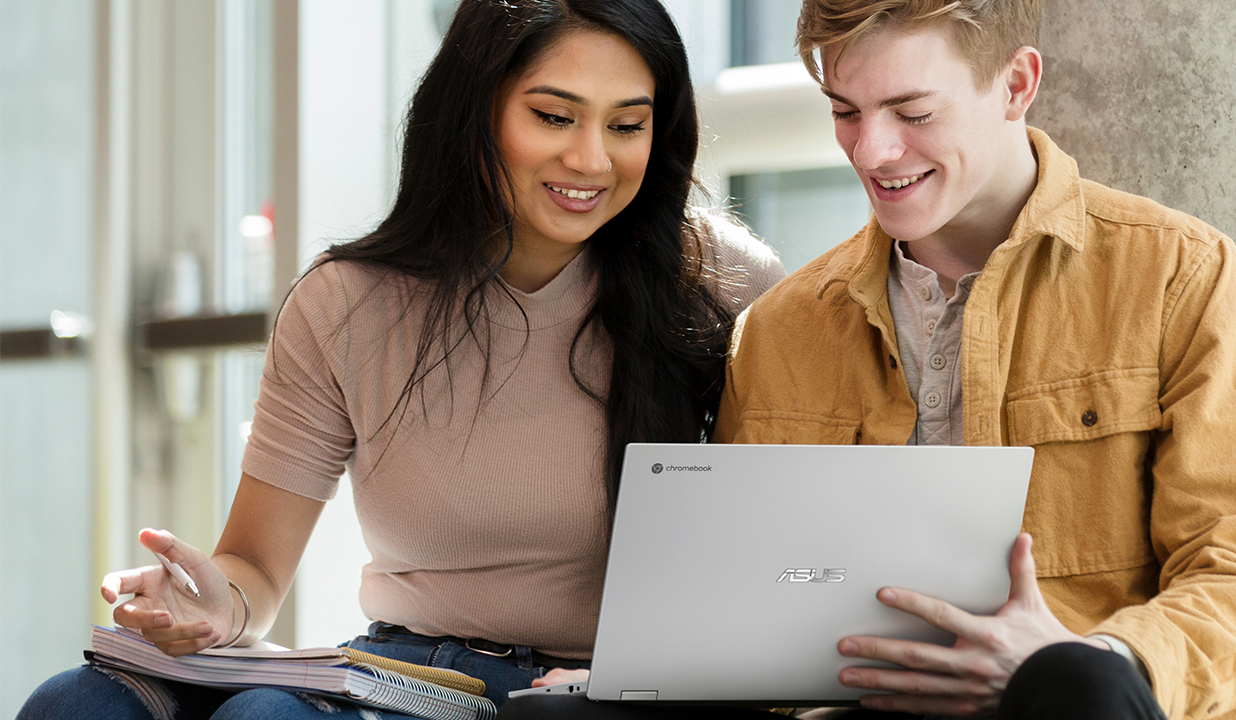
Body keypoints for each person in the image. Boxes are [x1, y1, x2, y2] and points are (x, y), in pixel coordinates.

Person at [19, 0, 783, 718]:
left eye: (627, 125)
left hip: (598, 691)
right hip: (408, 677)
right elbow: (253, 568)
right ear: (475, 111)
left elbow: (785, 564)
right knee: (77, 702)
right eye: (554, 117)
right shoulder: (347, 302)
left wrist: (645, 672)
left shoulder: (723, 282)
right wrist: (216, 601)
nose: (591, 159)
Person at [705, 1, 1236, 719]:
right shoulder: (779, 330)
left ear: (1016, 85)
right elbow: (759, 606)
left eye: (912, 113)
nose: (870, 150)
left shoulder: (1180, 278)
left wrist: (1087, 666)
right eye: (845, 111)